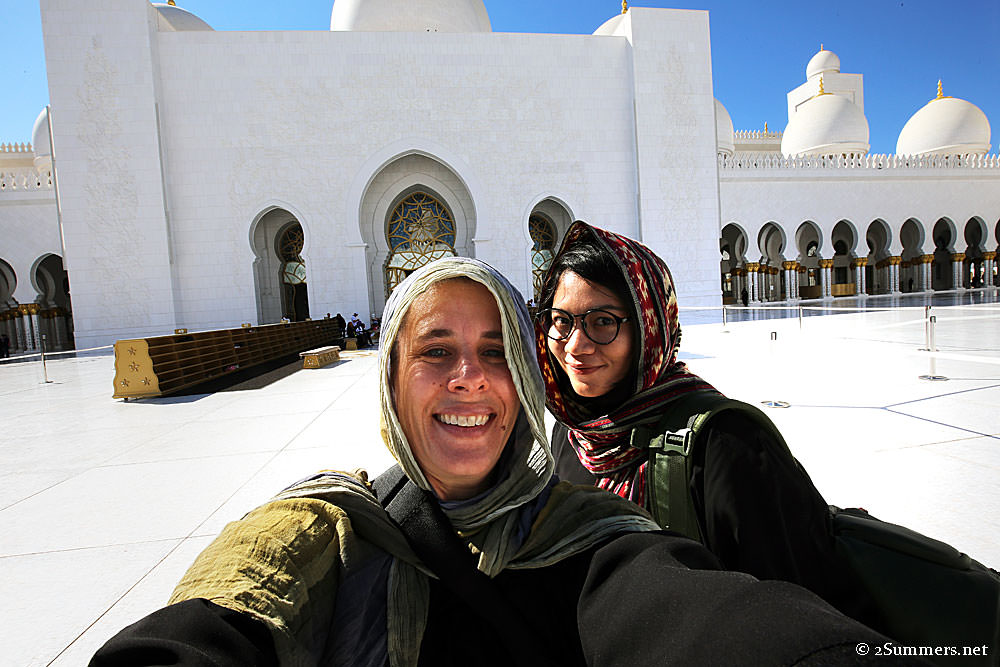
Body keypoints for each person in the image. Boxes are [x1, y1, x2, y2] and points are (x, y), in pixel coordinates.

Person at [91, 257, 896, 666]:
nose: (468, 377)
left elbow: (685, 608)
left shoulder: (585, 530)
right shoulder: (324, 527)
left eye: (494, 350)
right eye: (434, 349)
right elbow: (220, 616)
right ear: (391, 384)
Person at [535, 221, 849, 603]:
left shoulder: (728, 445)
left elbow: (798, 604)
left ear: (651, 327)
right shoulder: (572, 435)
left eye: (603, 322)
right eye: (562, 321)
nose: (576, 345)